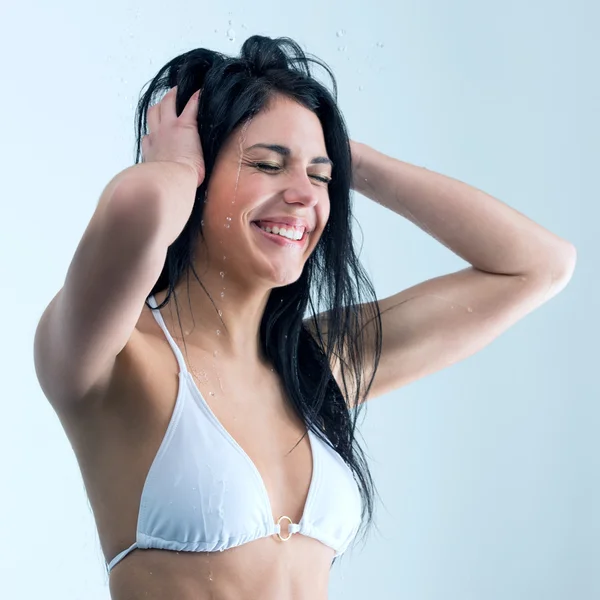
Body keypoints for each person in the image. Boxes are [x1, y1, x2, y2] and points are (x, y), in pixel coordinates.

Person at [33, 35, 576, 600]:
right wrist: (172, 165)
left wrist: (344, 158)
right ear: (195, 177)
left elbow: (539, 266)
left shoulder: (320, 366)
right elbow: (135, 208)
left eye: (320, 178)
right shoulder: (113, 358)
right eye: (267, 164)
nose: (303, 196)